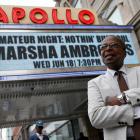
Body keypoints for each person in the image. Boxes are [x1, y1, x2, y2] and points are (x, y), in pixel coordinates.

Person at [88, 35, 140, 140]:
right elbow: (96, 118)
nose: (108, 48)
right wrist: (135, 112)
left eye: (114, 45)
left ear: (125, 52)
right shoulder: (94, 83)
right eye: (103, 47)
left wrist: (121, 98)